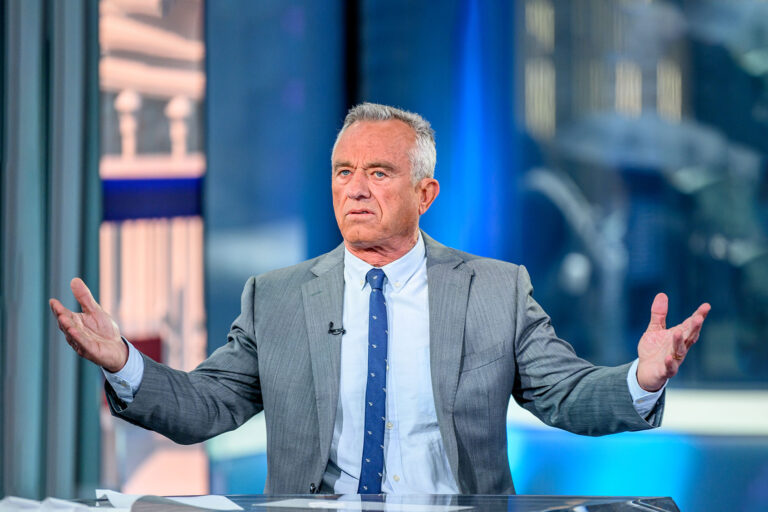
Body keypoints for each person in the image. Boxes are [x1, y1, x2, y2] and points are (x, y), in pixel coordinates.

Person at [50, 103, 710, 495]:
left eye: (379, 173)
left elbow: (565, 395)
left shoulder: (496, 290)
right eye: (344, 172)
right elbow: (205, 408)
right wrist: (125, 364)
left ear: (425, 194)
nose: (356, 189)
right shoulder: (275, 298)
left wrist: (639, 379)